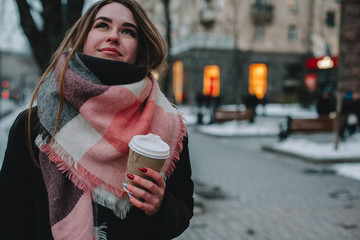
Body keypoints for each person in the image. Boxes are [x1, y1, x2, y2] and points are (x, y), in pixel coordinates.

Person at [0, 1, 194, 239]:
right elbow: (10, 221)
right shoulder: (35, 125)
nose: (113, 36)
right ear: (82, 38)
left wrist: (160, 207)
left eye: (127, 31)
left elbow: (182, 212)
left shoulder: (169, 129)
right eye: (102, 26)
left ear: (139, 48)